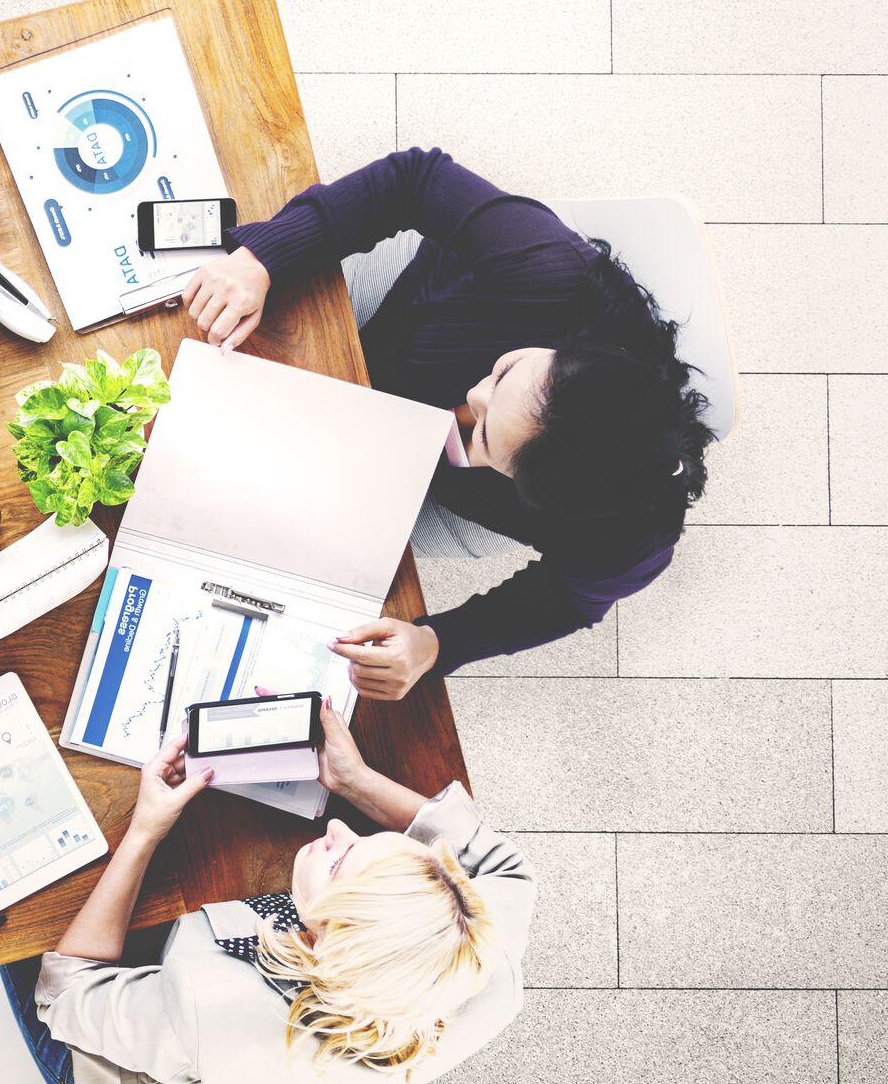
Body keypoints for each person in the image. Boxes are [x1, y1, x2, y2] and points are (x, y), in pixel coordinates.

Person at [180, 147, 718, 696]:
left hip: (445, 491)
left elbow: (566, 599)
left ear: (533, 494)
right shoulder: (551, 271)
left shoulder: (630, 540)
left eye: (483, 434)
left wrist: (436, 643)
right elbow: (414, 179)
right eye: (506, 371)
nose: (471, 393)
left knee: (301, 541)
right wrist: (263, 260)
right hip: (400, 314)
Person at [9, 708, 532, 1084]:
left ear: (320, 942)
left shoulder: (210, 999)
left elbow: (64, 994)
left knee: (22, 909)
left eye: (339, 861)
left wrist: (146, 829)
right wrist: (354, 780)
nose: (334, 830)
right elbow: (504, 867)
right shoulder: (491, 961)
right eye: (374, 840)